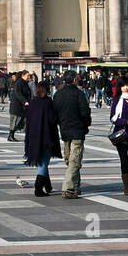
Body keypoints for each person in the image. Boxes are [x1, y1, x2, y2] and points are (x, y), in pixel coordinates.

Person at [53, 71, 91, 199]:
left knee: (71, 160)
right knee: (74, 160)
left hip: (65, 131)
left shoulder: (58, 94)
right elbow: (86, 113)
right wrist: (85, 126)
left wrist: (61, 123)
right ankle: (68, 188)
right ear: (74, 80)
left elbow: (55, 114)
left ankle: (75, 187)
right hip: (77, 131)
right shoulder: (79, 94)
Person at [23, 81, 61, 197]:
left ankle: (47, 185)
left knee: (43, 162)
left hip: (34, 137)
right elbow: (52, 119)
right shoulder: (48, 102)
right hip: (46, 137)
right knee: (44, 163)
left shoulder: (33, 102)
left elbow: (28, 119)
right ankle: (38, 188)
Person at [7, 70, 31, 141]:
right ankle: (10, 136)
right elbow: (18, 94)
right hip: (16, 106)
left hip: (22, 106)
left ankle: (12, 135)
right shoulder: (19, 83)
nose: (28, 77)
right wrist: (25, 101)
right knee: (15, 121)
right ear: (23, 75)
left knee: (21, 121)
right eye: (27, 75)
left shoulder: (25, 83)